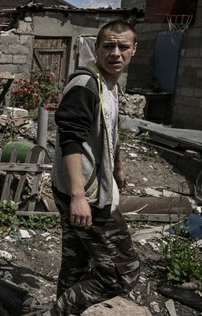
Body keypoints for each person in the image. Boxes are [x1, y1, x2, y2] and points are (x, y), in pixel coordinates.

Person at [48, 20, 141, 315]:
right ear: (97, 48)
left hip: (82, 188)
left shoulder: (109, 86)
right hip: (86, 194)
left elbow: (110, 131)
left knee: (76, 263)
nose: (116, 53)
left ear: (133, 50)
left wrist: (117, 167)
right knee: (123, 272)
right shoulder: (86, 84)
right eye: (108, 46)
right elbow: (70, 138)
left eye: (123, 47)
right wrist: (78, 196)